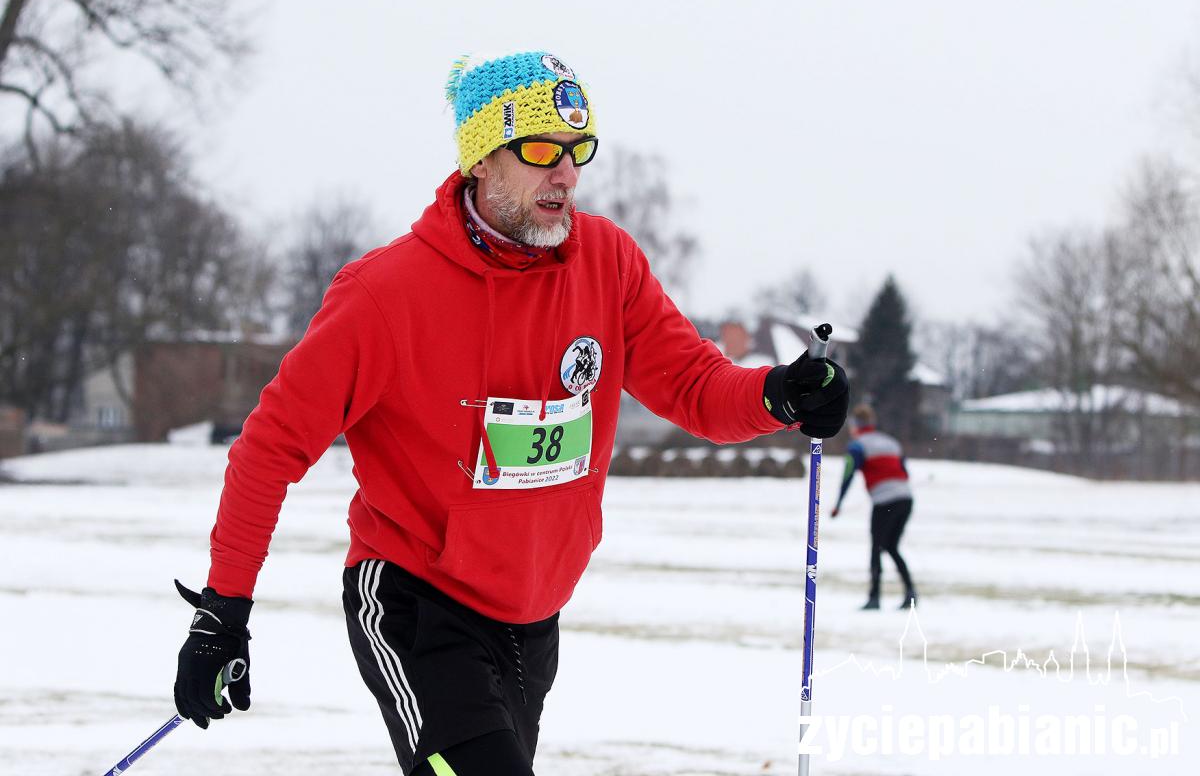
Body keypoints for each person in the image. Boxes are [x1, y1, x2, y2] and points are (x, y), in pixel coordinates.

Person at [170, 51, 850, 776]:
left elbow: (692, 384)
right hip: (417, 606)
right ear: (482, 160)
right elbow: (268, 448)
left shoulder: (607, 263)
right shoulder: (385, 294)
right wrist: (223, 611)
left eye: (576, 151)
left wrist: (778, 394)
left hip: (534, 619)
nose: (566, 173)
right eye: (540, 150)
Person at [831, 404, 918, 610]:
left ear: (855, 425)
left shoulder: (857, 446)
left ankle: (875, 597)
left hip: (884, 502)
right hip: (905, 499)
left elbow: (848, 475)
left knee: (877, 548)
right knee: (891, 547)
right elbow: (904, 473)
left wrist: (838, 504)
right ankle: (910, 593)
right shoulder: (891, 442)